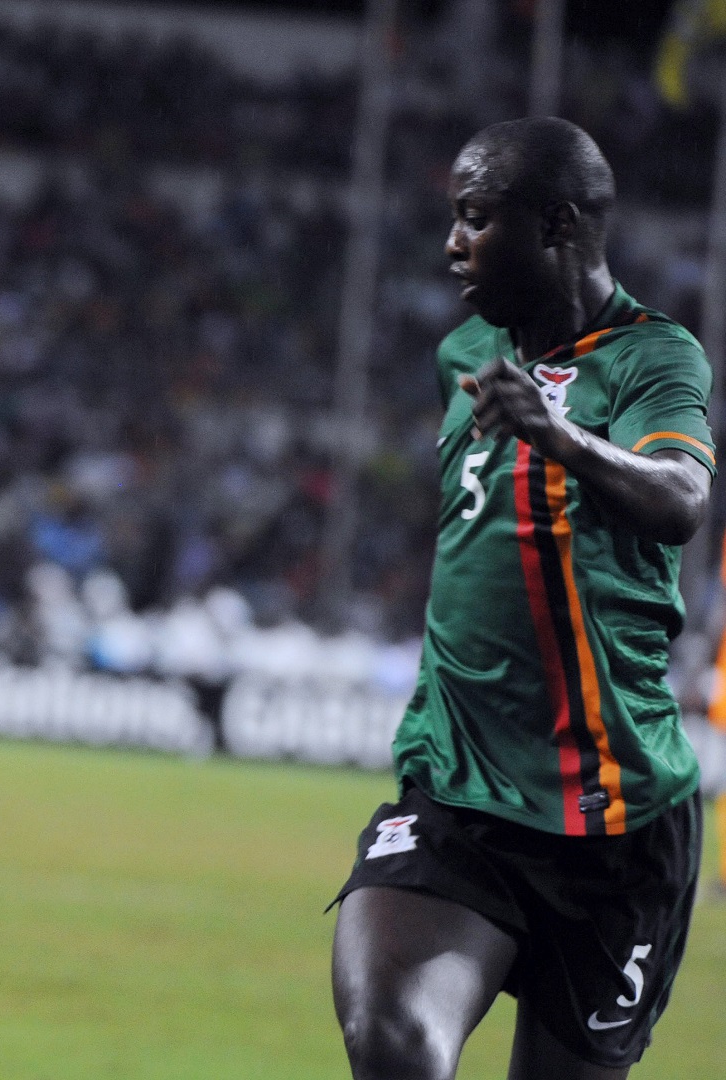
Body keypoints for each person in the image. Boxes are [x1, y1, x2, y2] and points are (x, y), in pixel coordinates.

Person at [330, 117, 713, 1080]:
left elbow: (683, 500)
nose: (453, 243)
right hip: (461, 792)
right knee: (395, 1040)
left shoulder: (653, 359)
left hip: (616, 823)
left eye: (475, 218)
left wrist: (565, 439)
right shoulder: (464, 351)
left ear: (555, 225)